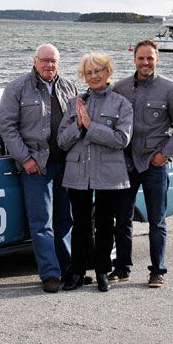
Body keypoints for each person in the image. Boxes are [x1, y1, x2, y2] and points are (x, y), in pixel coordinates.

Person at [111, 40, 173, 288]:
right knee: (122, 219)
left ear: (157, 60)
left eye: (150, 58)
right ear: (134, 59)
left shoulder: (170, 88)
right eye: (141, 58)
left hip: (154, 163)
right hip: (127, 163)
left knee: (157, 220)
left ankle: (157, 271)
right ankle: (122, 267)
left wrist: (165, 154)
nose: (145, 63)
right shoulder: (120, 88)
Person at [0, 43, 77, 293]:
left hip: (64, 164)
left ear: (58, 64)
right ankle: (50, 274)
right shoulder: (17, 88)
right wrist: (25, 159)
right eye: (44, 60)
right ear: (34, 61)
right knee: (42, 221)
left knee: (66, 219)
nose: (49, 65)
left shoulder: (69, 88)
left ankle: (69, 270)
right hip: (36, 166)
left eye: (53, 61)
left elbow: (75, 123)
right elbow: (7, 128)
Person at [57, 53, 133, 292]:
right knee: (79, 224)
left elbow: (122, 139)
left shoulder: (121, 103)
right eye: (88, 73)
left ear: (108, 71)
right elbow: (61, 141)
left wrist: (91, 127)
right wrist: (78, 126)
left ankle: (102, 271)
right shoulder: (75, 103)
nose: (93, 76)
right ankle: (77, 273)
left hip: (109, 173)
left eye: (98, 71)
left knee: (104, 224)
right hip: (79, 171)